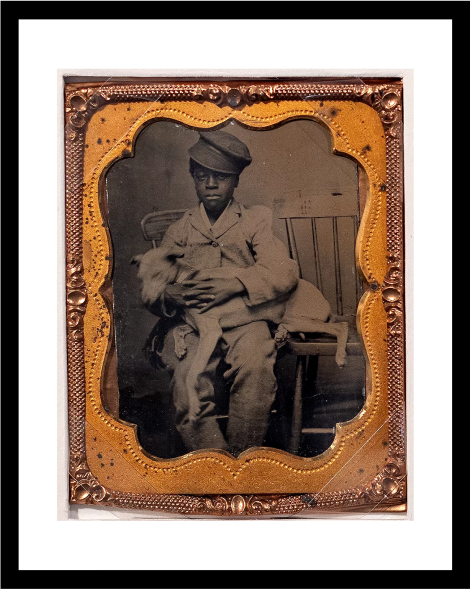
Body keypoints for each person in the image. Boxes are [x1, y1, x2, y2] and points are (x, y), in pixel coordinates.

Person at [143, 130, 299, 456]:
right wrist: (171, 296)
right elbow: (153, 284)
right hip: (194, 326)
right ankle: (214, 462)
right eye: (202, 177)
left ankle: (242, 459)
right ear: (193, 180)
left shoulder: (254, 220)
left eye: (222, 177)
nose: (211, 185)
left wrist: (236, 283)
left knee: (256, 366)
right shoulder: (181, 229)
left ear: (236, 182)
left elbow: (283, 271)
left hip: (247, 318)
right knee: (187, 379)